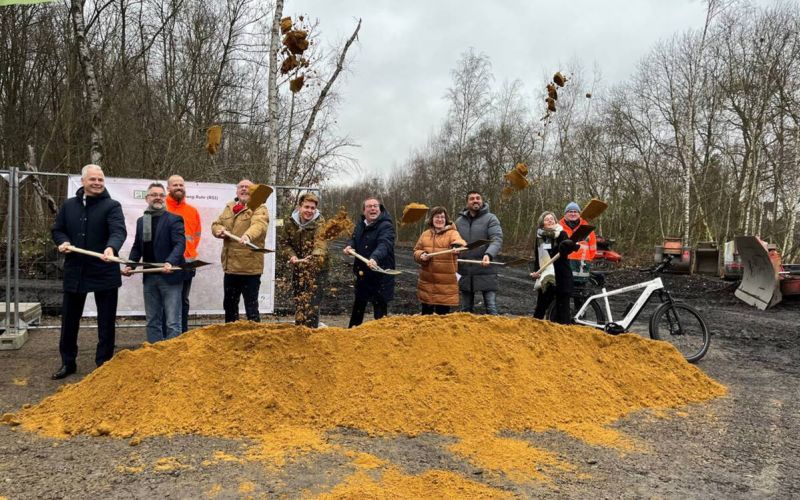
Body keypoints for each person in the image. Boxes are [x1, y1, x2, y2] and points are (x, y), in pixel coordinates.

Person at [50, 164, 127, 379]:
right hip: (75, 270)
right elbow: (57, 229)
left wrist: (111, 247)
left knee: (106, 321)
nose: (97, 183)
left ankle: (104, 363)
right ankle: (68, 362)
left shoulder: (112, 206)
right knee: (69, 321)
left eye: (100, 180)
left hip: (104, 270)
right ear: (83, 181)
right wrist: (63, 241)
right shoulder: (69, 206)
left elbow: (118, 230)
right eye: (93, 179)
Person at [122, 183, 186, 343]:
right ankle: (154, 354)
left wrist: (170, 262)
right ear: (147, 198)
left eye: (161, 195)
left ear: (165, 198)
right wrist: (131, 265)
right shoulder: (142, 221)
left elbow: (180, 244)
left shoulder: (174, 219)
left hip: (170, 277)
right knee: (152, 321)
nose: (158, 197)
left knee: (172, 322)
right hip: (149, 277)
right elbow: (138, 247)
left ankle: (172, 356)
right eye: (153, 194)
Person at [211, 179, 269, 322]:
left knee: (251, 308)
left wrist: (248, 235)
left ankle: (254, 338)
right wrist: (218, 231)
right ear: (237, 190)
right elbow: (216, 224)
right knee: (229, 306)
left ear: (253, 191)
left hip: (250, 269)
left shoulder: (259, 207)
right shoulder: (229, 207)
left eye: (247, 187)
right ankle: (231, 336)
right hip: (230, 268)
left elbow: (259, 225)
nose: (244, 189)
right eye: (241, 187)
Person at [278, 192, 329, 328]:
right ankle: (299, 329)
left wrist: (314, 257)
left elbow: (321, 243)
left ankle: (311, 332)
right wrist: (292, 256)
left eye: (313, 208)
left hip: (318, 268)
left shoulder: (320, 223)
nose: (309, 211)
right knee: (300, 301)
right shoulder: (290, 222)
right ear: (300, 207)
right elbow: (284, 243)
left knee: (312, 303)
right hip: (299, 267)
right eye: (306, 207)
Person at [343, 197, 395, 327]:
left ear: (379, 209)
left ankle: (380, 338)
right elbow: (354, 238)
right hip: (363, 274)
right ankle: (352, 333)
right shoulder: (361, 224)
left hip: (379, 274)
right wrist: (350, 246)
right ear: (364, 210)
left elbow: (384, 244)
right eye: (369, 206)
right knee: (358, 307)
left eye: (375, 206)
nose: (373, 208)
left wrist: (374, 258)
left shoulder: (386, 226)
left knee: (380, 312)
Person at [455, 191, 503, 314]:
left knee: (491, 308)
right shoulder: (459, 222)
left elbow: (496, 239)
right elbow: (454, 241)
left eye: (478, 198)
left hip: (486, 269)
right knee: (465, 310)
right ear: (467, 202)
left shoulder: (491, 218)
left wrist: (489, 254)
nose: (475, 200)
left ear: (482, 201)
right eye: (472, 198)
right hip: (465, 271)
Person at [164, 175, 201, 333]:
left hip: (187, 263)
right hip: (166, 264)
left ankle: (183, 333)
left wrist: (189, 252)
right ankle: (166, 335)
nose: (179, 187)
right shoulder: (162, 208)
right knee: (166, 300)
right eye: (175, 185)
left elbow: (197, 235)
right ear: (168, 188)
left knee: (183, 300)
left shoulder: (192, 211)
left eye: (181, 185)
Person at [413, 207, 467, 315]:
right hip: (427, 282)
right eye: (437, 217)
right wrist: (421, 255)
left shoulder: (452, 233)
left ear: (446, 219)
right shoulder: (425, 234)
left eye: (442, 217)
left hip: (445, 284)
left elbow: (460, 243)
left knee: (442, 317)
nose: (440, 219)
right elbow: (416, 251)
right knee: (426, 316)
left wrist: (456, 247)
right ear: (432, 219)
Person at [530, 211, 580, 324]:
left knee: (563, 311)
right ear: (542, 224)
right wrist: (536, 271)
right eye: (547, 219)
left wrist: (566, 246)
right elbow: (538, 256)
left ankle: (565, 335)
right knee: (540, 309)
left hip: (562, 276)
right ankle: (533, 331)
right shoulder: (539, 238)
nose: (550, 220)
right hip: (547, 278)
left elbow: (570, 248)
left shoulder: (562, 234)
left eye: (552, 219)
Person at [559, 201, 597, 284]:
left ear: (579, 214)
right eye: (570, 211)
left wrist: (589, 259)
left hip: (582, 266)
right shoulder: (558, 228)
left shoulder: (587, 228)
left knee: (582, 292)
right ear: (565, 214)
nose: (573, 214)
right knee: (564, 292)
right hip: (564, 264)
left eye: (575, 212)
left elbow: (593, 247)